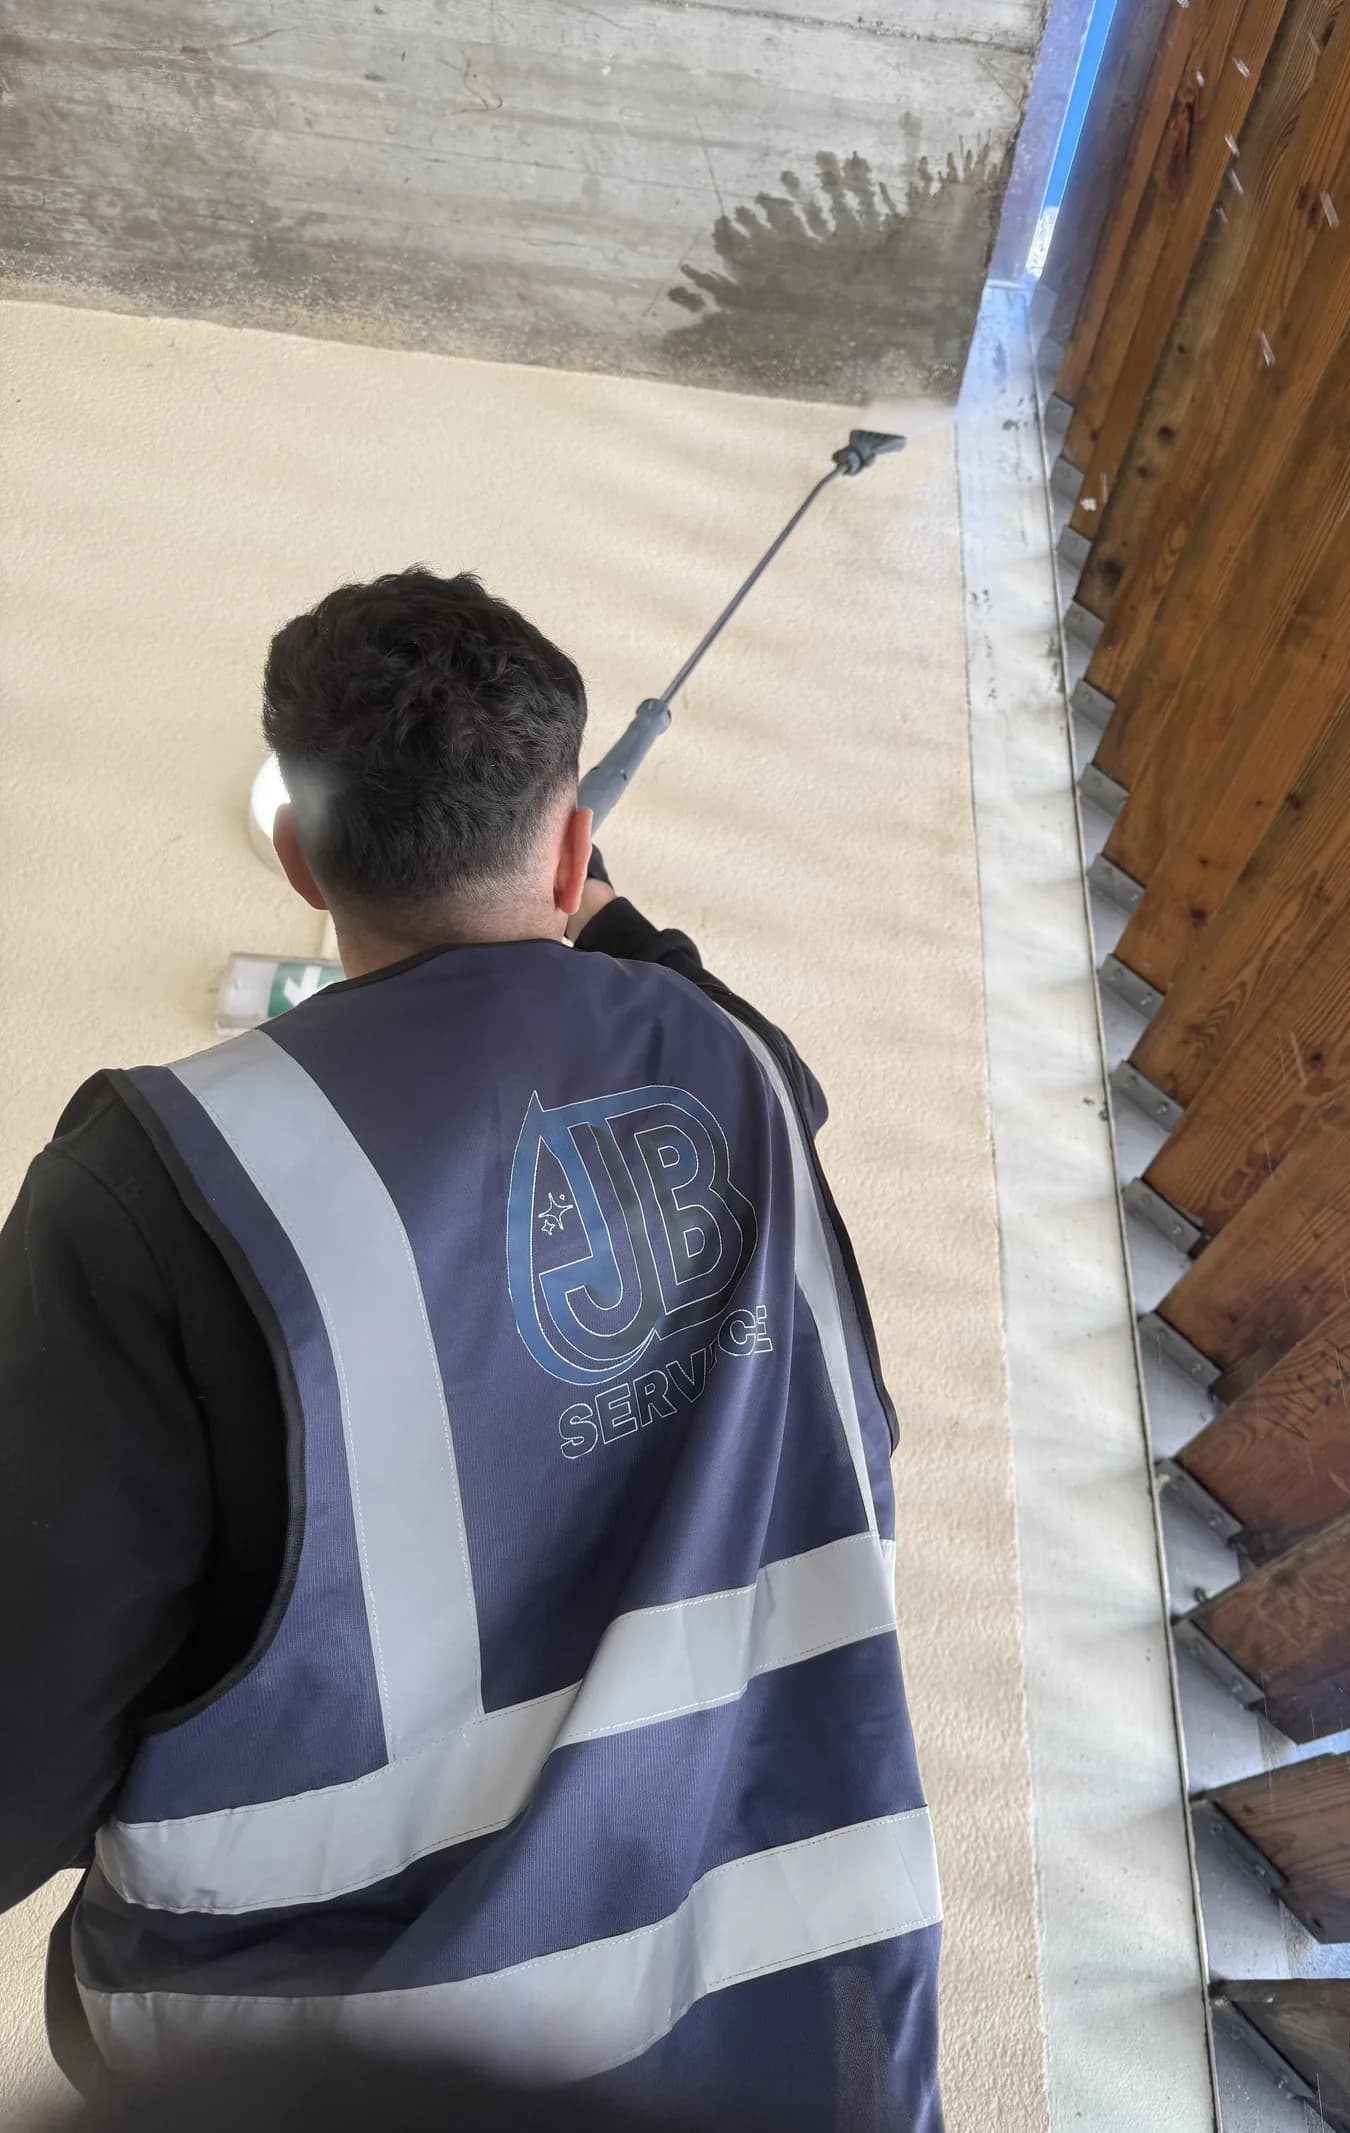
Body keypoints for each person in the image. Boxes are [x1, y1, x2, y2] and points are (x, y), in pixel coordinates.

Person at [0, 570, 941, 2129]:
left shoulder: (148, 1196)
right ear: (574, 848)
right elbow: (862, 1439)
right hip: (813, 2053)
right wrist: (603, 915)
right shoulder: (748, 1077)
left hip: (317, 2079)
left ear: (298, 858)